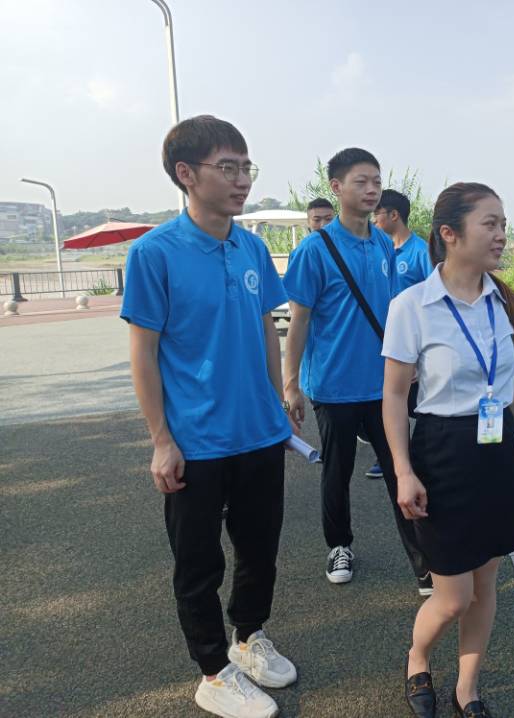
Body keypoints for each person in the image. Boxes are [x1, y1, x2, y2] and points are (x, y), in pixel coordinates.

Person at [122, 115, 297, 718]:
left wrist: (278, 401)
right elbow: (144, 352)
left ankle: (248, 637)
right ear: (186, 174)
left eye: (247, 167)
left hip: (258, 433)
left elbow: (266, 329)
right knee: (199, 564)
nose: (242, 179)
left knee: (260, 549)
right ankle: (212, 672)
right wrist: (160, 440)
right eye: (228, 167)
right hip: (195, 441)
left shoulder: (252, 247)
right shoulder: (154, 253)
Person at [383, 182, 514, 717]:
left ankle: (467, 688)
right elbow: (394, 395)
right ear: (450, 234)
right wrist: (403, 471)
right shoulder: (412, 306)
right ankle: (418, 657)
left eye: (504, 224)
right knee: (453, 596)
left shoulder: (503, 301)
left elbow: (510, 380)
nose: (502, 235)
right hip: (442, 452)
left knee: (487, 582)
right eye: (490, 224)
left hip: (496, 453)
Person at [282, 148, 431, 596]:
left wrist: (412, 361)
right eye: (361, 182)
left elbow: (392, 313)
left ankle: (423, 561)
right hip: (333, 385)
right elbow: (299, 320)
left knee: (401, 469)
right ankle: (339, 545)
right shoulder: (314, 249)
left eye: (376, 182)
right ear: (337, 187)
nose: (371, 190)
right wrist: (291, 384)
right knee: (337, 471)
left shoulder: (383, 243)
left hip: (383, 385)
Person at [362, 188, 432, 479]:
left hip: (413, 344)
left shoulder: (421, 252)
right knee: (388, 399)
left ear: (393, 215)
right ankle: (390, 456)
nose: (373, 220)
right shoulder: (379, 249)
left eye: (376, 214)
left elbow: (434, 302)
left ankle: (413, 459)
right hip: (384, 339)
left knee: (414, 403)